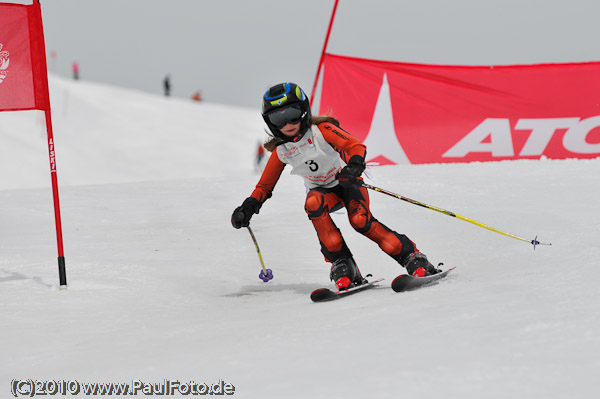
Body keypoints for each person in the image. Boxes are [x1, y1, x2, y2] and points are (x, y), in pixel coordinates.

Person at [231, 82, 440, 290]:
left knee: (360, 221)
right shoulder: (282, 150)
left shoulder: (321, 130)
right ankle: (343, 263)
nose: (287, 123)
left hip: (348, 184)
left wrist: (354, 166)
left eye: (292, 114)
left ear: (304, 110)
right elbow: (264, 187)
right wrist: (247, 207)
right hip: (324, 195)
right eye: (278, 118)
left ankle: (412, 257)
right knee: (312, 202)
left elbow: (355, 145)